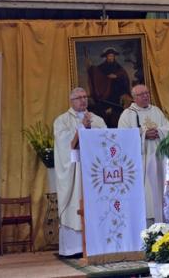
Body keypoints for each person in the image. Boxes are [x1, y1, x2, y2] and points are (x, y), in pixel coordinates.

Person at [54, 87, 107, 257]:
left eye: (85, 97)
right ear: (71, 101)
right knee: (75, 204)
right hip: (75, 171)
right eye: (79, 98)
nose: (83, 100)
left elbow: (106, 141)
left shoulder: (97, 119)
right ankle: (74, 248)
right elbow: (64, 146)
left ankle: (97, 245)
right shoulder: (62, 121)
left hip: (94, 171)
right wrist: (82, 128)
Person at [118, 84, 169, 226]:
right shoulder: (127, 114)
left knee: (161, 190)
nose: (145, 96)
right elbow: (122, 138)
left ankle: (163, 219)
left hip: (159, 157)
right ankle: (148, 224)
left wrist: (159, 132)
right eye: (141, 94)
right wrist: (143, 135)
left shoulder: (156, 111)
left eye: (147, 93)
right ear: (134, 98)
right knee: (146, 193)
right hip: (140, 161)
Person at [86, 48, 132, 128]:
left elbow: (124, 76)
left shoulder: (118, 67)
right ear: (106, 57)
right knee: (104, 113)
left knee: (116, 115)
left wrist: (116, 76)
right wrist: (90, 68)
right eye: (109, 56)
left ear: (114, 57)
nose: (110, 57)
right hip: (105, 94)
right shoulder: (102, 67)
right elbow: (96, 73)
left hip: (116, 94)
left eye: (112, 56)